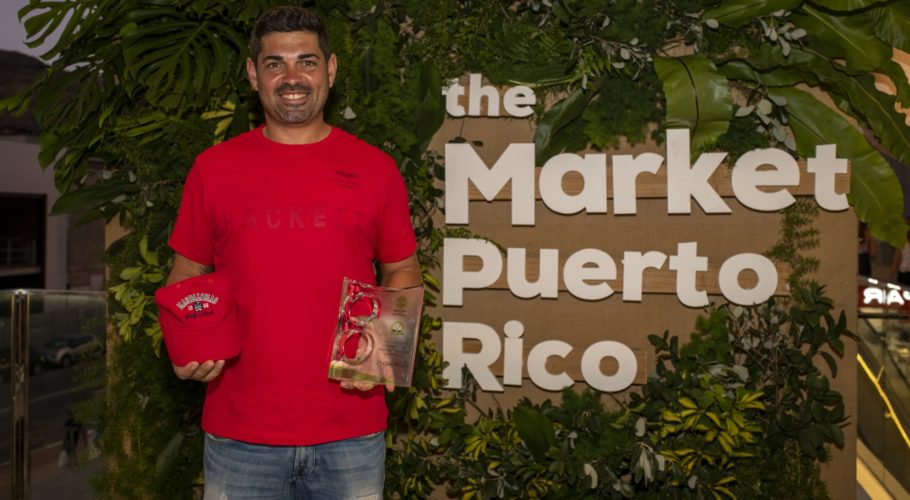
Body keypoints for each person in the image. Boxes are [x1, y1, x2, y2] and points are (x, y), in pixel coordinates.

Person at [164, 6, 421, 499]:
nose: (292, 77)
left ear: (331, 69)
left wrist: (383, 348)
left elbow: (402, 268)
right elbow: (187, 271)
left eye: (306, 61)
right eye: (274, 63)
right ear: (253, 74)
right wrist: (186, 342)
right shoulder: (213, 169)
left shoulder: (375, 169)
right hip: (240, 433)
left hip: (351, 428)